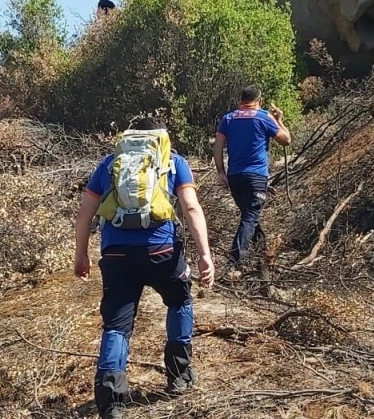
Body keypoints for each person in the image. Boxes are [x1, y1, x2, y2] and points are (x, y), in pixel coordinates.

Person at [74, 117, 215, 419]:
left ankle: (112, 401)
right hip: (162, 250)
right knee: (179, 301)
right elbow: (190, 208)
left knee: (117, 325)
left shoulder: (110, 163)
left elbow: (85, 213)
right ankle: (179, 376)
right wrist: (205, 255)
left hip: (116, 255)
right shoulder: (174, 161)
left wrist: (81, 254)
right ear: (161, 136)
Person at [213, 86, 291, 275]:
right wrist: (279, 120)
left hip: (235, 177)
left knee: (249, 216)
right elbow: (286, 140)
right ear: (260, 101)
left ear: (241, 100)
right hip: (255, 176)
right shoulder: (264, 117)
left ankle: (263, 255)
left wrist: (221, 172)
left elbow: (217, 146)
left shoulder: (229, 118)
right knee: (250, 217)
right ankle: (234, 264)